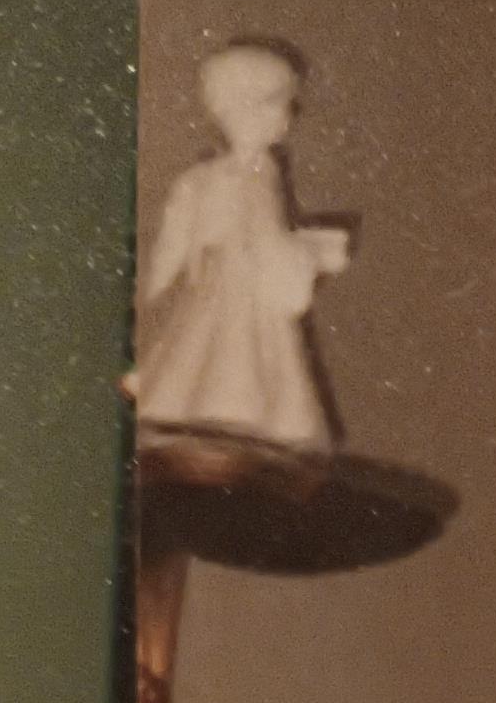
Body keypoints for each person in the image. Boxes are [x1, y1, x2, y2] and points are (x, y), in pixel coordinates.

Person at [137, 40, 351, 447]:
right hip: (236, 300)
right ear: (244, 107)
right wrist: (313, 255)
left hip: (227, 294)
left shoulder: (211, 179)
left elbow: (176, 257)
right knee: (235, 376)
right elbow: (262, 243)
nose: (287, 117)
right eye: (279, 104)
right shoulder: (248, 177)